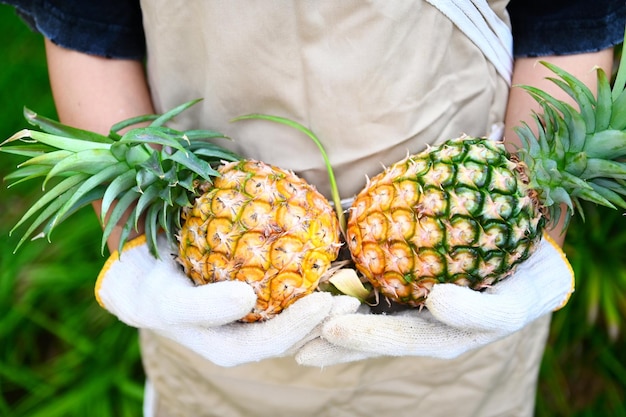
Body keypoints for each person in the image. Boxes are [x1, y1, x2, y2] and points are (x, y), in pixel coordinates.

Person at [4, 1, 625, 416]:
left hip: (463, 346)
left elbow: (569, 18)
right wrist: (140, 246)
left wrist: (531, 237)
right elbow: (88, 26)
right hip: (209, 317)